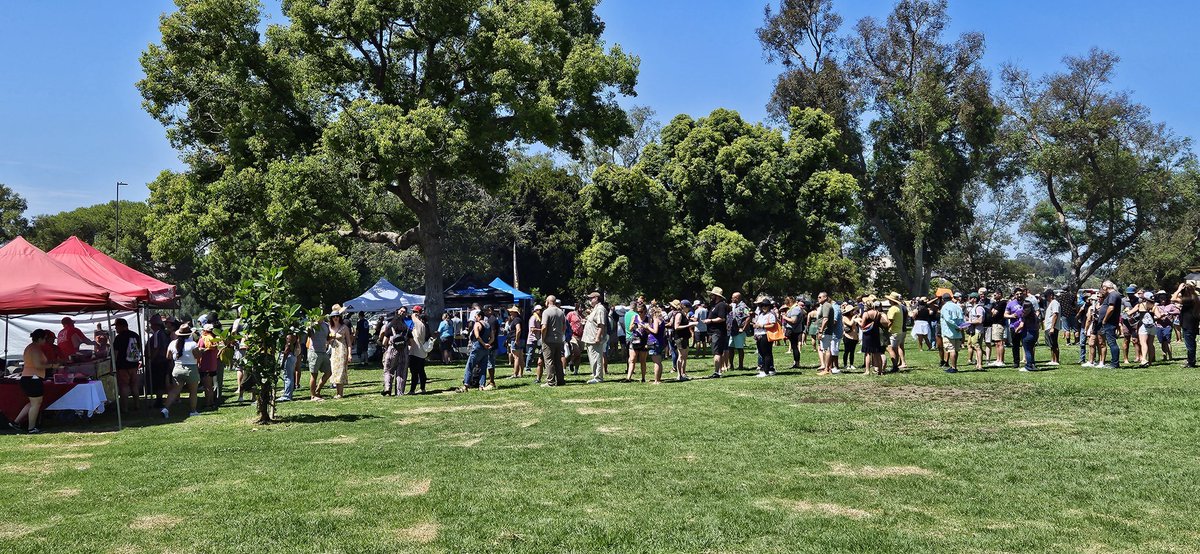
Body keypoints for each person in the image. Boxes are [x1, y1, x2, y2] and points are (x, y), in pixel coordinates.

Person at [10, 330, 61, 433]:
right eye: (45, 338)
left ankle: (16, 422)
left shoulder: (31, 347)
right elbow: (38, 365)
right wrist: (53, 366)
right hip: (33, 378)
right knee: (36, 403)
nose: (46, 340)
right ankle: (31, 428)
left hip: (28, 378)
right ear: (40, 339)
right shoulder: (35, 349)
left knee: (33, 402)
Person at [161, 324, 201, 418]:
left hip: (177, 368)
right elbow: (198, 356)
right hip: (191, 369)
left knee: (174, 391)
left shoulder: (172, 343)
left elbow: (168, 356)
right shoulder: (193, 344)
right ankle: (193, 410)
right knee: (193, 391)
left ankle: (165, 408)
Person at [110, 318, 143, 413]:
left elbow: (115, 353)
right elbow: (139, 350)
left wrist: (113, 365)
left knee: (124, 386)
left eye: (116, 326)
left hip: (122, 365)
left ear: (121, 326)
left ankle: (125, 408)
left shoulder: (119, 338)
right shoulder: (135, 335)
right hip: (134, 364)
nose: (115, 328)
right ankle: (137, 405)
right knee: (134, 385)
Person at [382, 308, 412, 395]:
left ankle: (387, 388)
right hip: (403, 352)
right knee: (401, 372)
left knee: (388, 370)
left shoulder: (390, 327)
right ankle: (399, 391)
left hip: (391, 351)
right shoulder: (406, 328)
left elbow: (384, 342)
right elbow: (411, 343)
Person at [583, 292, 609, 384]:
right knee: (592, 358)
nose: (590, 300)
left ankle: (598, 377)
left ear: (596, 298)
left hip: (595, 338)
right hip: (590, 338)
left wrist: (597, 337)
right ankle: (595, 375)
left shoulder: (600, 309)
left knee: (597, 358)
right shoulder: (595, 309)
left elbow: (601, 324)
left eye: (591, 298)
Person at [145, 315, 171, 409]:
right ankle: (160, 399)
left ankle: (159, 400)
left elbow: (156, 349)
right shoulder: (164, 333)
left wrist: (150, 360)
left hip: (158, 362)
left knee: (158, 382)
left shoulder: (157, 334)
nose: (150, 326)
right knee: (162, 381)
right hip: (163, 361)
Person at [703, 288, 730, 378]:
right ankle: (718, 370)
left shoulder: (721, 305)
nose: (711, 296)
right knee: (717, 352)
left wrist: (710, 320)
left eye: (712, 295)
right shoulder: (714, 305)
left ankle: (717, 372)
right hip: (714, 332)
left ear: (717, 296)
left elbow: (722, 318)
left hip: (718, 332)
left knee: (717, 352)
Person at [541, 296, 567, 387]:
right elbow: (564, 327)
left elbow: (544, 327)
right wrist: (560, 335)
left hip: (549, 340)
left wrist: (543, 338)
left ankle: (550, 382)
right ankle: (560, 380)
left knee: (549, 361)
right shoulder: (561, 312)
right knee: (558, 361)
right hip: (559, 340)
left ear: (548, 301)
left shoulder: (546, 312)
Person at [306, 313, 333, 400]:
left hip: (323, 352)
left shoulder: (326, 325)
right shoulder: (313, 325)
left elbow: (328, 337)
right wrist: (310, 327)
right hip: (314, 352)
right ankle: (313, 395)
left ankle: (317, 391)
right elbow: (309, 335)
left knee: (329, 372)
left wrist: (331, 337)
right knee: (314, 374)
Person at [1172, 281, 1199, 368]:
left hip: (1188, 324)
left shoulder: (1188, 299)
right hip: (1193, 323)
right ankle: (1190, 360)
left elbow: (1173, 298)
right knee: (1192, 343)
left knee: (1190, 344)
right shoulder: (1195, 298)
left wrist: (1179, 289)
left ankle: (1191, 362)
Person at [327, 309, 353, 399]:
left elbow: (349, 342)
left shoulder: (344, 327)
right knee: (335, 370)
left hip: (342, 351)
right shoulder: (330, 327)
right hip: (334, 351)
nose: (335, 318)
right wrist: (331, 338)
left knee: (341, 371)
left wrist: (350, 354)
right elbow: (327, 341)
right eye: (333, 317)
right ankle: (337, 392)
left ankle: (340, 393)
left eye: (337, 316)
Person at [1098, 281, 1124, 368]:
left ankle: (1114, 363)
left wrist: (1105, 319)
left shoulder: (1113, 295)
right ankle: (1114, 362)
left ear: (1106, 287)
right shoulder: (1113, 295)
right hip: (1111, 322)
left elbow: (1111, 308)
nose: (1102, 290)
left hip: (1109, 322)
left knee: (1112, 342)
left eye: (1103, 288)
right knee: (1111, 342)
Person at [669, 299, 695, 381]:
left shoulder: (683, 314)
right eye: (688, 307)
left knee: (684, 356)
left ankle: (683, 373)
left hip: (685, 337)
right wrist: (689, 325)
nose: (689, 309)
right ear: (683, 306)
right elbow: (676, 327)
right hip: (680, 337)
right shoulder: (679, 314)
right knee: (681, 356)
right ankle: (679, 375)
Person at [196, 324, 220, 407]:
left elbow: (198, 350)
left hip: (205, 365)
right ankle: (211, 401)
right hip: (213, 365)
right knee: (210, 385)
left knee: (207, 386)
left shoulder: (203, 339)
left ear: (205, 330)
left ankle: (208, 403)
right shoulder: (216, 339)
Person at [624, 302, 650, 382]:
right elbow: (630, 328)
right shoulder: (634, 317)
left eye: (641, 311)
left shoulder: (648, 318)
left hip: (644, 341)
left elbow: (650, 331)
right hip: (635, 340)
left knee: (643, 360)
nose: (639, 313)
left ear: (645, 311)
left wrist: (645, 327)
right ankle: (628, 378)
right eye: (638, 311)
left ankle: (643, 378)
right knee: (632, 359)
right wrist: (635, 326)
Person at [752, 296, 777, 378]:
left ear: (769, 306)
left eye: (766, 305)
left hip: (766, 335)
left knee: (767, 353)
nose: (764, 307)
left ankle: (766, 371)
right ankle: (768, 369)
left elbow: (773, 325)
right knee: (762, 353)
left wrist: (762, 326)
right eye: (762, 306)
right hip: (759, 335)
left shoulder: (771, 314)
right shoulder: (761, 314)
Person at [940, 293, 964, 373]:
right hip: (957, 332)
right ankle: (954, 366)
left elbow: (948, 319)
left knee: (951, 350)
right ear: (951, 298)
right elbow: (962, 318)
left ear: (943, 300)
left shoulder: (945, 307)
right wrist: (961, 327)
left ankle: (953, 367)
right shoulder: (957, 306)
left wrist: (956, 326)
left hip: (948, 332)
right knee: (956, 350)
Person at [859, 297, 884, 375]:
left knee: (867, 353)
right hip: (876, 333)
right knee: (877, 352)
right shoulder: (878, 313)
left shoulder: (866, 314)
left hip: (867, 334)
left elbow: (862, 325)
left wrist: (857, 321)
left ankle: (867, 370)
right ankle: (880, 370)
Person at [407, 307, 429, 395]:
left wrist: (413, 316)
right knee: (418, 371)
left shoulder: (420, 324)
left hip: (418, 351)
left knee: (416, 372)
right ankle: (421, 388)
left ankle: (413, 390)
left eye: (415, 312)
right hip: (416, 351)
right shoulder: (418, 324)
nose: (413, 313)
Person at [729, 292, 751, 371]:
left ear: (737, 298)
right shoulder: (733, 306)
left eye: (733, 297)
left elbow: (748, 316)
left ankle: (741, 365)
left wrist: (744, 328)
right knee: (730, 347)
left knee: (739, 348)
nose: (731, 299)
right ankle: (731, 365)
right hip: (732, 330)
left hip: (739, 330)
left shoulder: (743, 306)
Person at [1154, 290, 1179, 362]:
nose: (1163, 300)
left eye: (1164, 298)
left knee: (1167, 341)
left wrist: (1169, 312)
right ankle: (1164, 356)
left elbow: (1178, 311)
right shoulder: (1156, 306)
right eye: (1161, 299)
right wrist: (1159, 316)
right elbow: (1153, 315)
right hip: (1159, 326)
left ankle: (1170, 356)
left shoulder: (1171, 305)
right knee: (1162, 341)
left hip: (1167, 326)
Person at [1016, 301, 1039, 372]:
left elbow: (1021, 325)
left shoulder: (1024, 315)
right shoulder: (1035, 315)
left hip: (1028, 334)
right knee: (1031, 349)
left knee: (1027, 351)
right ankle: (1032, 364)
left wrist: (1016, 330)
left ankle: (1028, 366)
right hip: (1035, 333)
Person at [885, 292, 906, 372]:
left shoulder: (893, 308)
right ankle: (896, 365)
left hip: (893, 332)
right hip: (899, 331)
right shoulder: (899, 307)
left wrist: (886, 329)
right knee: (896, 349)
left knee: (890, 349)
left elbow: (890, 321)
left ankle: (894, 366)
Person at [782, 297, 804, 368]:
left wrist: (784, 317)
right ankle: (796, 362)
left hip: (793, 330)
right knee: (794, 346)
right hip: (794, 329)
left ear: (790, 302)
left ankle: (797, 363)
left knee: (794, 347)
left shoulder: (795, 309)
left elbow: (793, 320)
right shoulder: (795, 308)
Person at [1042, 290, 1061, 366]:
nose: (1046, 298)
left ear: (1051, 295)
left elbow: (1055, 315)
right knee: (1051, 344)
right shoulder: (1051, 304)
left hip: (1052, 326)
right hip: (1049, 326)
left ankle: (1056, 360)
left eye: (1046, 296)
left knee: (1054, 343)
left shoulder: (1054, 303)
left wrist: (1052, 327)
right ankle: (1052, 360)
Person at [506, 306, 525, 379]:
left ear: (515, 313)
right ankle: (521, 373)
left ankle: (515, 374)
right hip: (521, 339)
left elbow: (518, 329)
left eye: (511, 312)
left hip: (516, 339)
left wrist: (517, 339)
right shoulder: (519, 319)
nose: (510, 313)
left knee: (516, 357)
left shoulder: (516, 320)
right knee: (520, 357)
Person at [279, 331, 297, 402]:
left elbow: (288, 347)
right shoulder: (294, 334)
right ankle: (288, 394)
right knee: (289, 376)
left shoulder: (289, 335)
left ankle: (287, 395)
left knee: (288, 377)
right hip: (291, 356)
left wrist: (283, 361)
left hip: (288, 356)